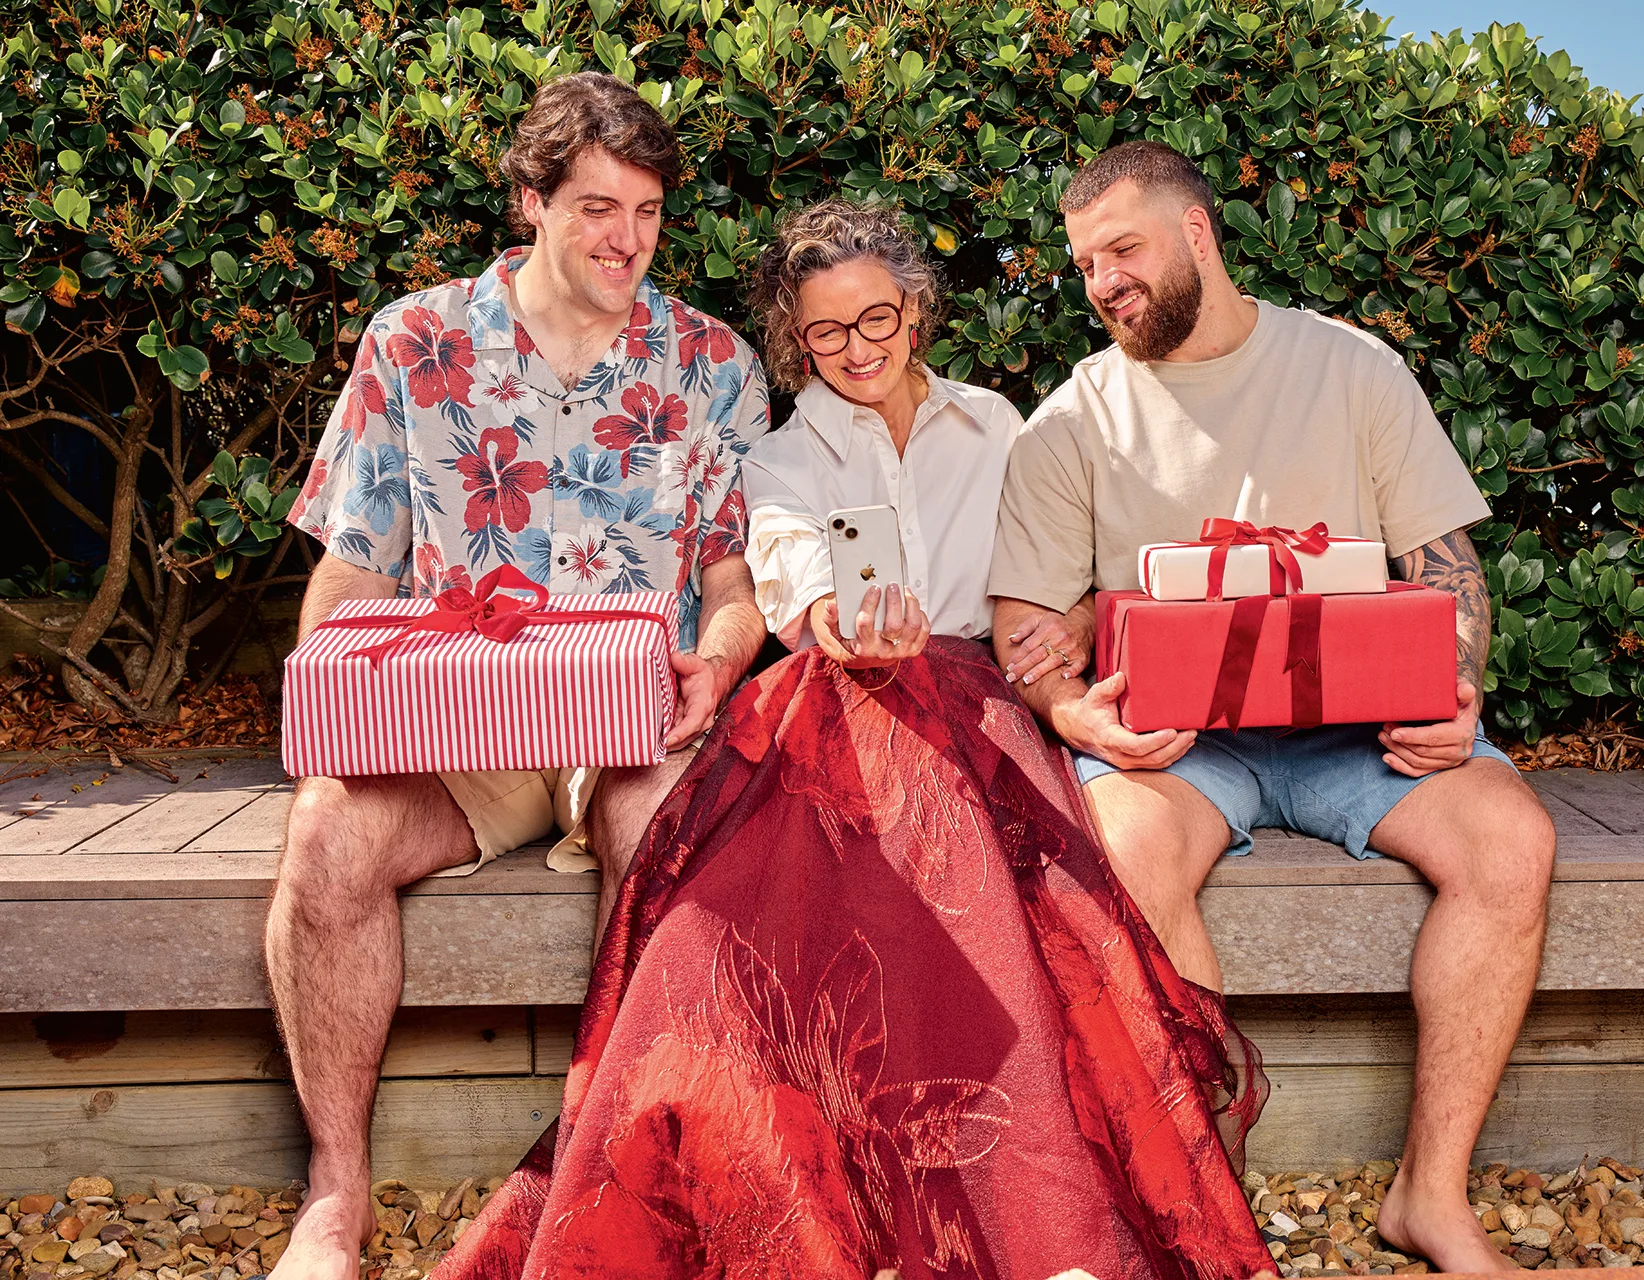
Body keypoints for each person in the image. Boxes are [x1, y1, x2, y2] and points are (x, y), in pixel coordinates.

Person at [434, 199, 1278, 1279]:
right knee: (734, 923)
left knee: (980, 867)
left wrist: (1053, 635)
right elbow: (790, 572)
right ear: (797, 337)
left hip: (979, 713)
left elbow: (1066, 576)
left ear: (915, 308)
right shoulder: (783, 456)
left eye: (876, 318)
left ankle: (1024, 1220)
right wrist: (833, 616)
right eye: (827, 332)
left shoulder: (1002, 425)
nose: (857, 348)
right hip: (833, 708)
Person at [988, 141, 1558, 1273]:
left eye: (1123, 249)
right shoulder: (1069, 420)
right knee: (1128, 849)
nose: (1102, 281)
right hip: (1176, 742)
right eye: (1085, 263)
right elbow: (1021, 626)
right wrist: (1073, 716)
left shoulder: (1351, 368)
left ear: (1199, 233)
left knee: (1512, 839)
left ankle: (1429, 1197)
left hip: (1361, 730)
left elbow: (1447, 567)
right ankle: (1204, 1208)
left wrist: (1457, 689)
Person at [266, 74, 770, 1280]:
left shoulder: (709, 361)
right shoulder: (416, 338)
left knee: (666, 830)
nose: (627, 239)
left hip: (629, 716)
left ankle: (626, 1181)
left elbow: (736, 578)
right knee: (326, 832)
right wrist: (333, 684)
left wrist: (718, 660)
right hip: (459, 718)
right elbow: (350, 564)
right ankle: (336, 1195)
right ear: (530, 200)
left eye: (648, 212)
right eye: (598, 206)